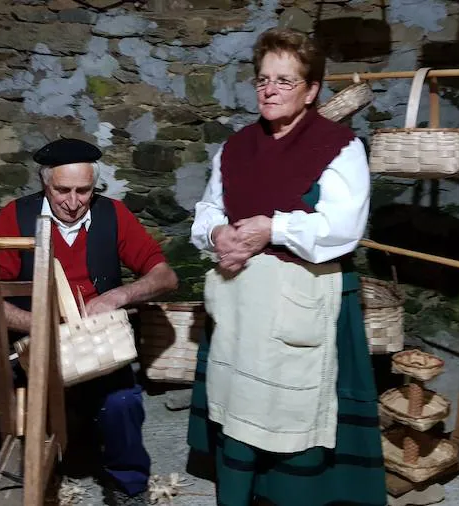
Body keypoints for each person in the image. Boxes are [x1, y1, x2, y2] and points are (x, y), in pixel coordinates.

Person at [186, 28, 387, 505]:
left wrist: (269, 230)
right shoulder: (236, 147)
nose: (269, 90)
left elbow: (343, 227)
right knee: (241, 400)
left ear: (312, 90)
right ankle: (241, 491)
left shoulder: (339, 147)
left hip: (303, 295)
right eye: (262, 80)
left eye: (284, 81)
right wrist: (219, 234)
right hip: (240, 300)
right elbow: (210, 207)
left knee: (293, 404)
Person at [0, 137, 178, 505]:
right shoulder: (16, 217)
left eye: (84, 191)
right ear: (45, 183)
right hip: (35, 347)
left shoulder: (112, 215)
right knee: (21, 409)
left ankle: (128, 487)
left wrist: (119, 295)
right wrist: (41, 326)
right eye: (62, 190)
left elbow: (165, 276)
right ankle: (32, 478)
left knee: (123, 402)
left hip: (96, 347)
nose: (73, 202)